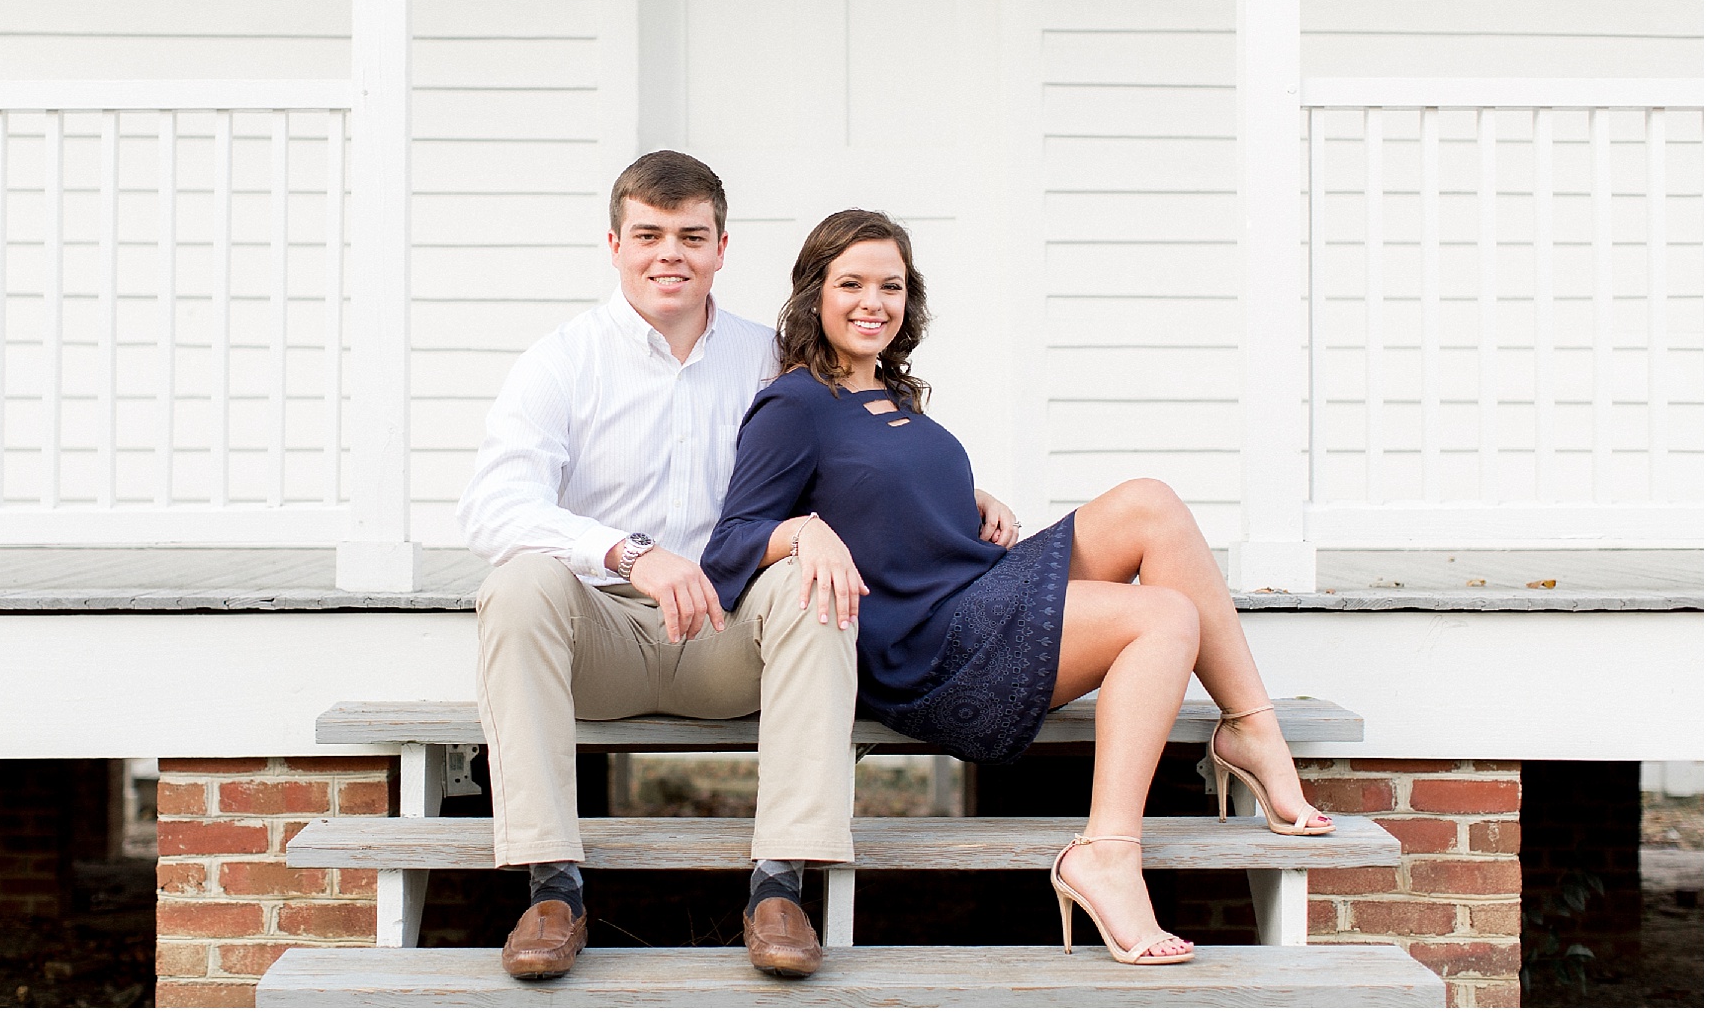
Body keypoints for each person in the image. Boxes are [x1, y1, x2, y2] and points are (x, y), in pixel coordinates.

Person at [702, 209, 1332, 968]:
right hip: (928, 647)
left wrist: (969, 499)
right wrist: (801, 530)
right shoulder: (795, 403)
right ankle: (1106, 852)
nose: (874, 301)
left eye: (891, 285)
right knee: (1163, 619)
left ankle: (1249, 727)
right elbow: (730, 545)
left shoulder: (892, 392)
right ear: (814, 294)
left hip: (976, 588)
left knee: (1150, 502)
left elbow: (877, 493)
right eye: (852, 284)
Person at [458, 152, 858, 983]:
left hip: (727, 640)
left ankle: (781, 882)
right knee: (518, 581)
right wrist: (628, 552)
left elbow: (862, 457)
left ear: (721, 247)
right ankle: (551, 887)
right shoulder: (561, 360)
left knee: (808, 581)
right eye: (648, 233)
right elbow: (492, 508)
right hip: (599, 642)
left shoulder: (769, 357)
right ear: (614, 243)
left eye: (690, 235)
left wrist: (962, 495)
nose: (668, 252)